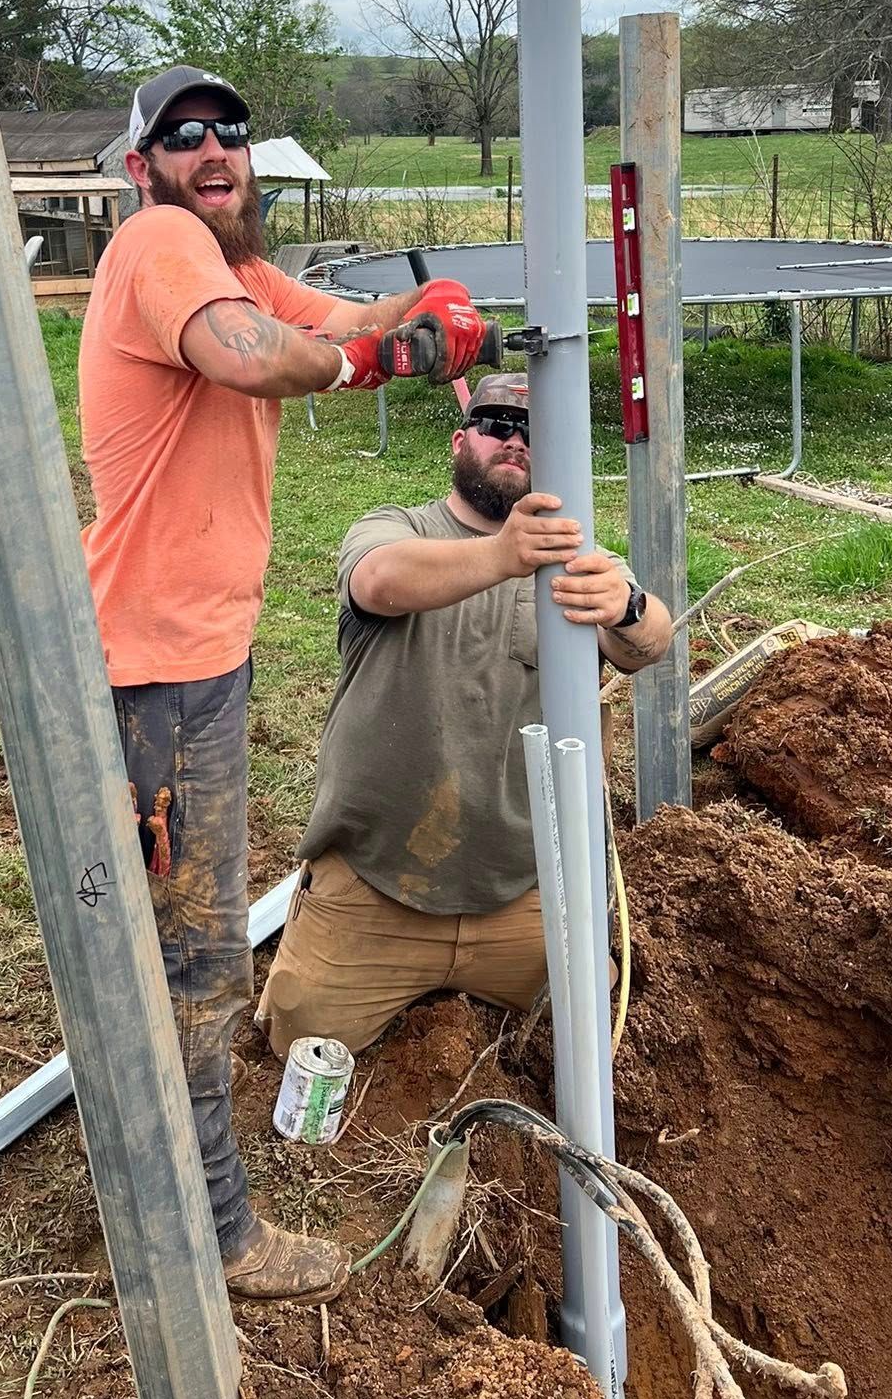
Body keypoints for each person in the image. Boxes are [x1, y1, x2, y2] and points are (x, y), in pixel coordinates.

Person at [78, 63, 488, 1305]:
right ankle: (211, 1230)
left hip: (197, 656)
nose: (216, 154)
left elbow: (333, 314)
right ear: (143, 162)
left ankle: (149, 1157)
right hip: (156, 671)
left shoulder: (231, 262)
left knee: (179, 942)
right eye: (185, 136)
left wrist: (437, 305)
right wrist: (383, 361)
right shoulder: (158, 245)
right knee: (199, 958)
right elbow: (259, 358)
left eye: (232, 137)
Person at [256, 373, 673, 1060]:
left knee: (593, 1038)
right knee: (297, 1043)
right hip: (379, 884)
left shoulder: (577, 561)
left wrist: (626, 605)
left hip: (523, 895)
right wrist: (499, 555)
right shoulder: (397, 528)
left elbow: (650, 641)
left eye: (533, 431)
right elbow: (380, 580)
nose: (515, 439)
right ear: (460, 440)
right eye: (498, 423)